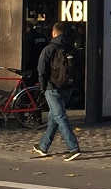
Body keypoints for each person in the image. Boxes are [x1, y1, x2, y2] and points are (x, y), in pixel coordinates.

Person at [31, 23, 81, 160]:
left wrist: (42, 87)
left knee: (59, 117)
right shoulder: (70, 48)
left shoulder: (49, 49)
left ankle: (73, 147)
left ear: (54, 33)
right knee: (53, 117)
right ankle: (43, 146)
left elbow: (41, 70)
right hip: (67, 87)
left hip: (52, 87)